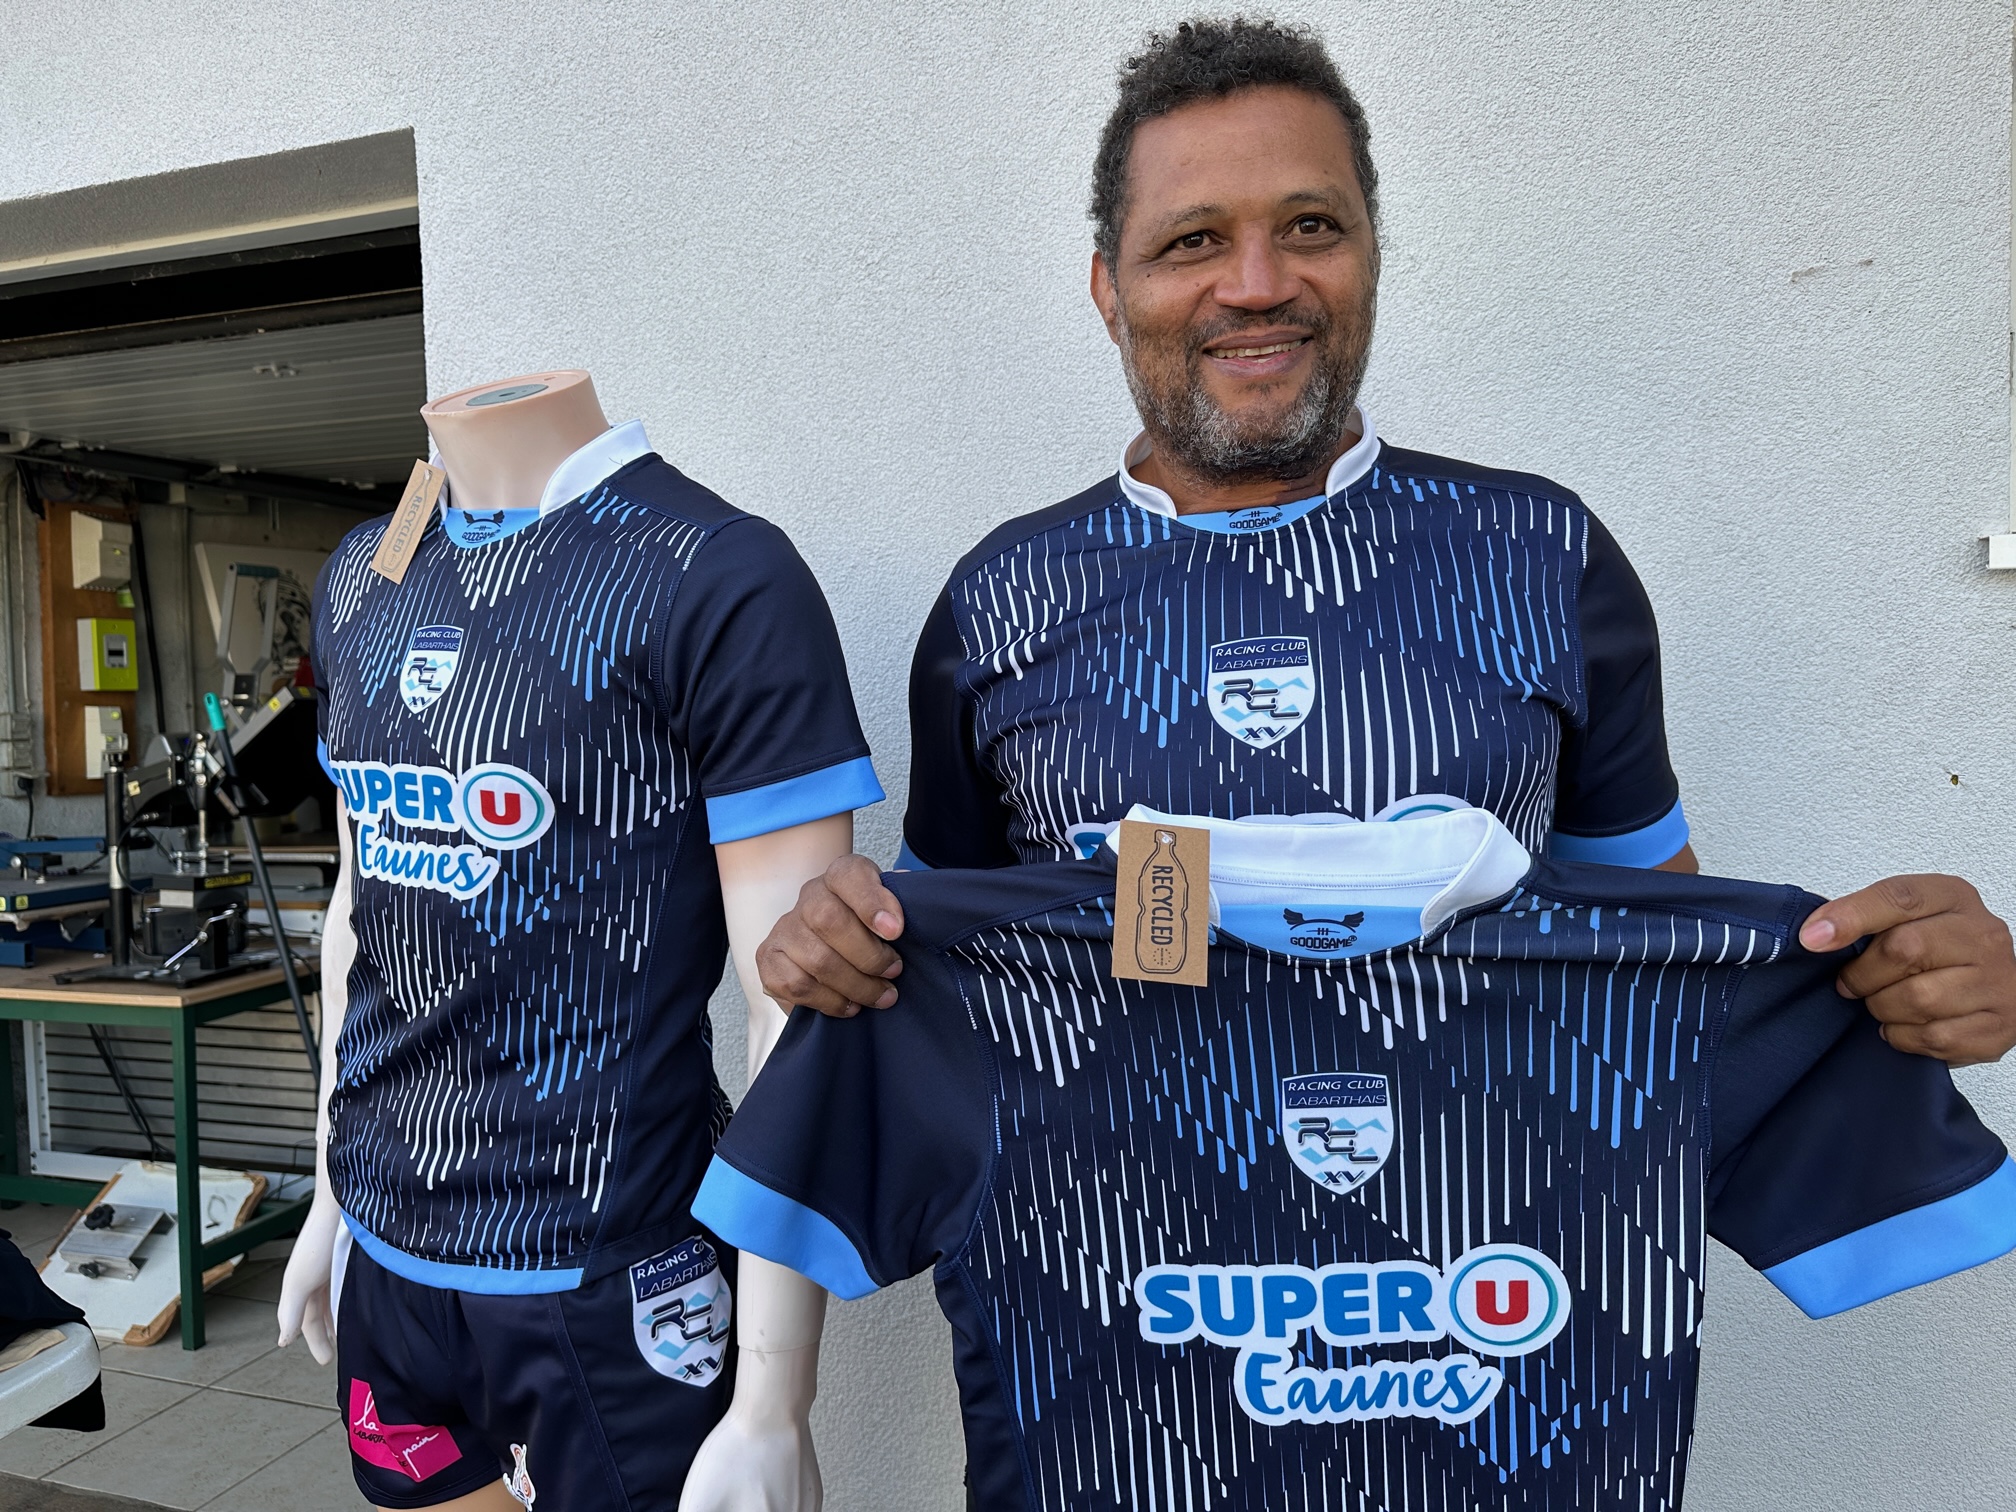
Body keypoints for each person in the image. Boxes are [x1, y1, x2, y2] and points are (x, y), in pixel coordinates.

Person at [755, 17, 2016, 1067]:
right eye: (1192, 240)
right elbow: (935, 969)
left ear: (1371, 252)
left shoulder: (1543, 554)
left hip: (1488, 1270)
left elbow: (1664, 962)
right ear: (1108, 289)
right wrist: (841, 948)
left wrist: (1891, 990)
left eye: (1311, 226)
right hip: (1106, 1268)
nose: (1258, 282)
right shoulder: (1002, 599)